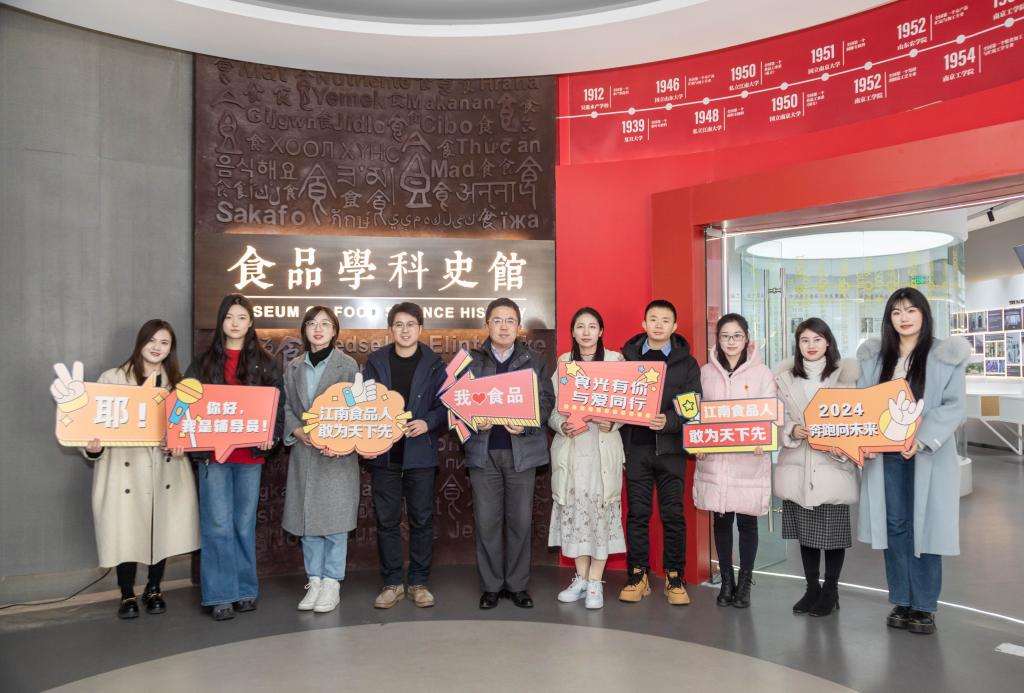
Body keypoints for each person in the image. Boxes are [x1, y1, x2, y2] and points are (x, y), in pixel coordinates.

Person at [53, 320, 199, 619]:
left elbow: (189, 426)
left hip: (165, 470)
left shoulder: (178, 384)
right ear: (140, 342)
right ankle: (127, 592)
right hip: (124, 470)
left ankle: (154, 588)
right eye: (152, 340)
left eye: (164, 343)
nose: (157, 347)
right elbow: (90, 423)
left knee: (161, 528)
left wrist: (180, 443)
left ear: (171, 349)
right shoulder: (112, 378)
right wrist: (93, 448)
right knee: (126, 531)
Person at [857, 287, 969, 635]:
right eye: (896, 312)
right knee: (895, 526)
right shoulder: (876, 358)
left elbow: (954, 406)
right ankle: (901, 600)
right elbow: (863, 404)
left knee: (925, 526)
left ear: (924, 314)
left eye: (910, 310)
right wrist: (864, 441)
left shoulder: (944, 355)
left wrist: (920, 440)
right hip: (885, 457)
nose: (903, 318)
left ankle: (924, 606)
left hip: (925, 454)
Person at [187, 294, 284, 621]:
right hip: (213, 458)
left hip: (249, 458)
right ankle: (220, 595)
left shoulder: (266, 362)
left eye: (242, 317)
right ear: (221, 321)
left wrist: (271, 436)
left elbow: (278, 406)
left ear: (250, 322)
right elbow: (184, 405)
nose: (235, 323)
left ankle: (245, 590)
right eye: (229, 317)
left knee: (243, 524)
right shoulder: (202, 363)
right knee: (217, 525)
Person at [464, 298, 555, 610]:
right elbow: (456, 401)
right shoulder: (470, 360)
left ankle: (517, 586)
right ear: (487, 325)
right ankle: (491, 586)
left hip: (521, 454)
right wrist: (473, 419)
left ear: (518, 326)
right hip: (483, 453)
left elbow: (546, 401)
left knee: (520, 522)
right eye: (497, 320)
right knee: (487, 522)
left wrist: (527, 423)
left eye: (510, 321)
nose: (503, 327)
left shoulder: (535, 360)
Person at [362, 302, 448, 609]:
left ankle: (419, 583)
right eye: (399, 324)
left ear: (420, 329)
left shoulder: (435, 364)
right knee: (386, 521)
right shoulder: (375, 362)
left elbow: (446, 405)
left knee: (421, 519)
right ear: (390, 329)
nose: (405, 330)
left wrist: (428, 422)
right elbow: (363, 402)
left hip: (420, 453)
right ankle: (392, 583)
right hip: (384, 454)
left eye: (411, 324)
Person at [774, 318, 859, 617]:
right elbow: (776, 418)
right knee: (806, 535)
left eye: (817, 339)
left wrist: (844, 445)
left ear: (828, 343)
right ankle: (812, 588)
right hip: (797, 464)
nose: (811, 346)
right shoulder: (784, 379)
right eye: (804, 340)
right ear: (797, 345)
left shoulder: (845, 378)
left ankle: (831, 590)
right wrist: (791, 430)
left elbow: (857, 420)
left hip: (832, 463)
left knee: (833, 536)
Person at [619, 299, 701, 605]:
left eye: (665, 320)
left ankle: (674, 577)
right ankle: (637, 575)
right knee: (637, 514)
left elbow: (692, 405)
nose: (658, 325)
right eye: (653, 319)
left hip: (671, 451)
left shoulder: (687, 363)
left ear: (674, 326)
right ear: (644, 324)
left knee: (673, 515)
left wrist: (669, 421)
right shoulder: (626, 359)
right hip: (636, 448)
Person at [282, 306, 361, 614]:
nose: (318, 329)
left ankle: (332, 583)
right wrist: (297, 431)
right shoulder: (294, 367)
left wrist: (340, 440)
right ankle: (313, 581)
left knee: (335, 524)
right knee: (308, 523)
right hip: (305, 452)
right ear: (305, 330)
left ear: (334, 331)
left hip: (337, 457)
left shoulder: (348, 365)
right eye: (312, 323)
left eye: (325, 324)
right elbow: (287, 407)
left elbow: (357, 409)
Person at [694, 313, 775, 608]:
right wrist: (697, 443)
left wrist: (764, 437)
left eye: (737, 336)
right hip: (715, 460)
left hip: (748, 461)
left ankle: (745, 583)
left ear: (747, 339)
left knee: (748, 523)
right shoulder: (705, 373)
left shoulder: (763, 374)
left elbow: (770, 413)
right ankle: (726, 580)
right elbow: (695, 414)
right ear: (717, 339)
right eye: (725, 336)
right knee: (722, 521)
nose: (731, 342)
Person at [548, 307, 626, 610]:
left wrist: (614, 423)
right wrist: (561, 425)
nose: (586, 332)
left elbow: (631, 406)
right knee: (576, 514)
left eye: (592, 326)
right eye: (580, 326)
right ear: (573, 331)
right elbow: (552, 409)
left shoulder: (615, 362)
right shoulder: (565, 363)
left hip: (602, 450)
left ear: (601, 331)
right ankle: (581, 578)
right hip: (573, 450)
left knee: (601, 514)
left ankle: (595, 581)